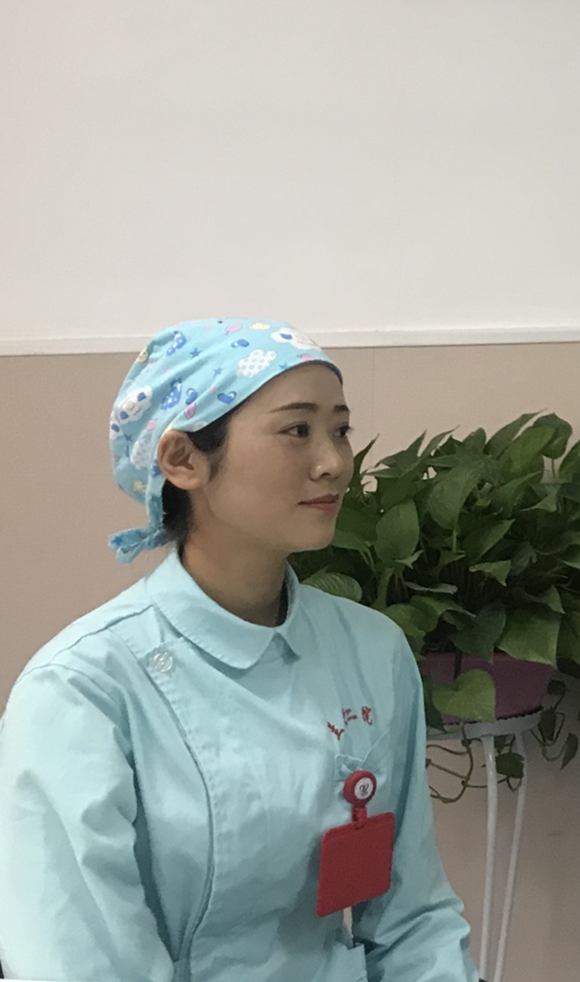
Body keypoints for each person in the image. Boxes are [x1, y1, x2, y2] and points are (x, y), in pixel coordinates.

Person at [0, 319, 476, 982]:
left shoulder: (371, 651)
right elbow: (79, 962)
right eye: (297, 429)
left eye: (340, 429)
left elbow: (413, 916)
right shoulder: (82, 690)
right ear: (182, 459)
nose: (335, 462)